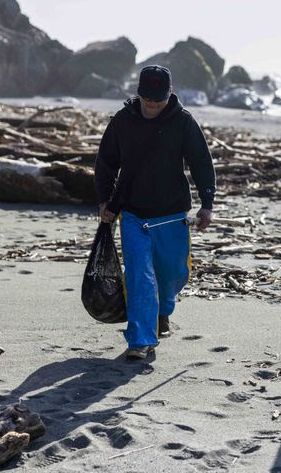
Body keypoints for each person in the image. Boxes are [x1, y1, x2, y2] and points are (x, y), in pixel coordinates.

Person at [95, 65, 216, 360]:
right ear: (139, 95)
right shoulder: (123, 121)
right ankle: (140, 339)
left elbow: (201, 162)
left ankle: (163, 312)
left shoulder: (184, 122)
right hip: (133, 212)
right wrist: (104, 200)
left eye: (157, 101)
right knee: (139, 275)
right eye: (147, 100)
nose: (151, 106)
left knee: (172, 272)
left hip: (172, 213)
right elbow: (106, 162)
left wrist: (207, 204)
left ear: (169, 95)